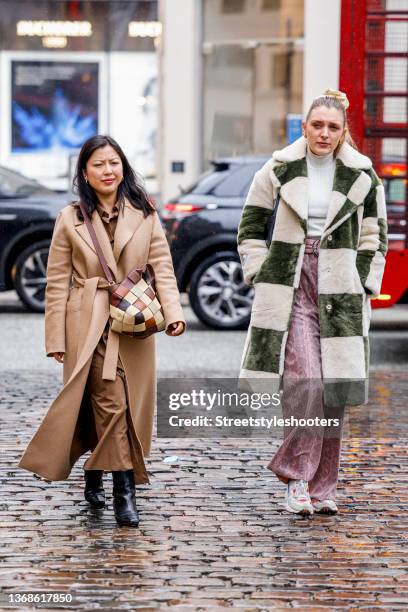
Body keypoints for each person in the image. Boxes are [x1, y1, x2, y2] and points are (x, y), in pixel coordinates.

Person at [18, 134, 185, 527]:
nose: (108, 171)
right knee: (110, 399)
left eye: (114, 163)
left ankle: (95, 470)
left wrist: (173, 313)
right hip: (87, 322)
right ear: (85, 173)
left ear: (122, 167)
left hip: (134, 320)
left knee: (117, 403)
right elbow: (56, 282)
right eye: (99, 164)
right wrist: (55, 339)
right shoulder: (69, 218)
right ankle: (123, 490)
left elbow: (162, 266)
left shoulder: (144, 212)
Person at [237, 89, 388, 515]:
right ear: (304, 127)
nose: (324, 133)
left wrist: (364, 281)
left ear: (343, 134)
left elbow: (376, 235)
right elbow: (250, 224)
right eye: (317, 125)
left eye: (332, 127)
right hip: (293, 282)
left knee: (334, 391)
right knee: (307, 383)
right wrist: (259, 268)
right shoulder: (278, 168)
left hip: (342, 289)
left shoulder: (363, 175)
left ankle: (324, 489)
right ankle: (296, 478)